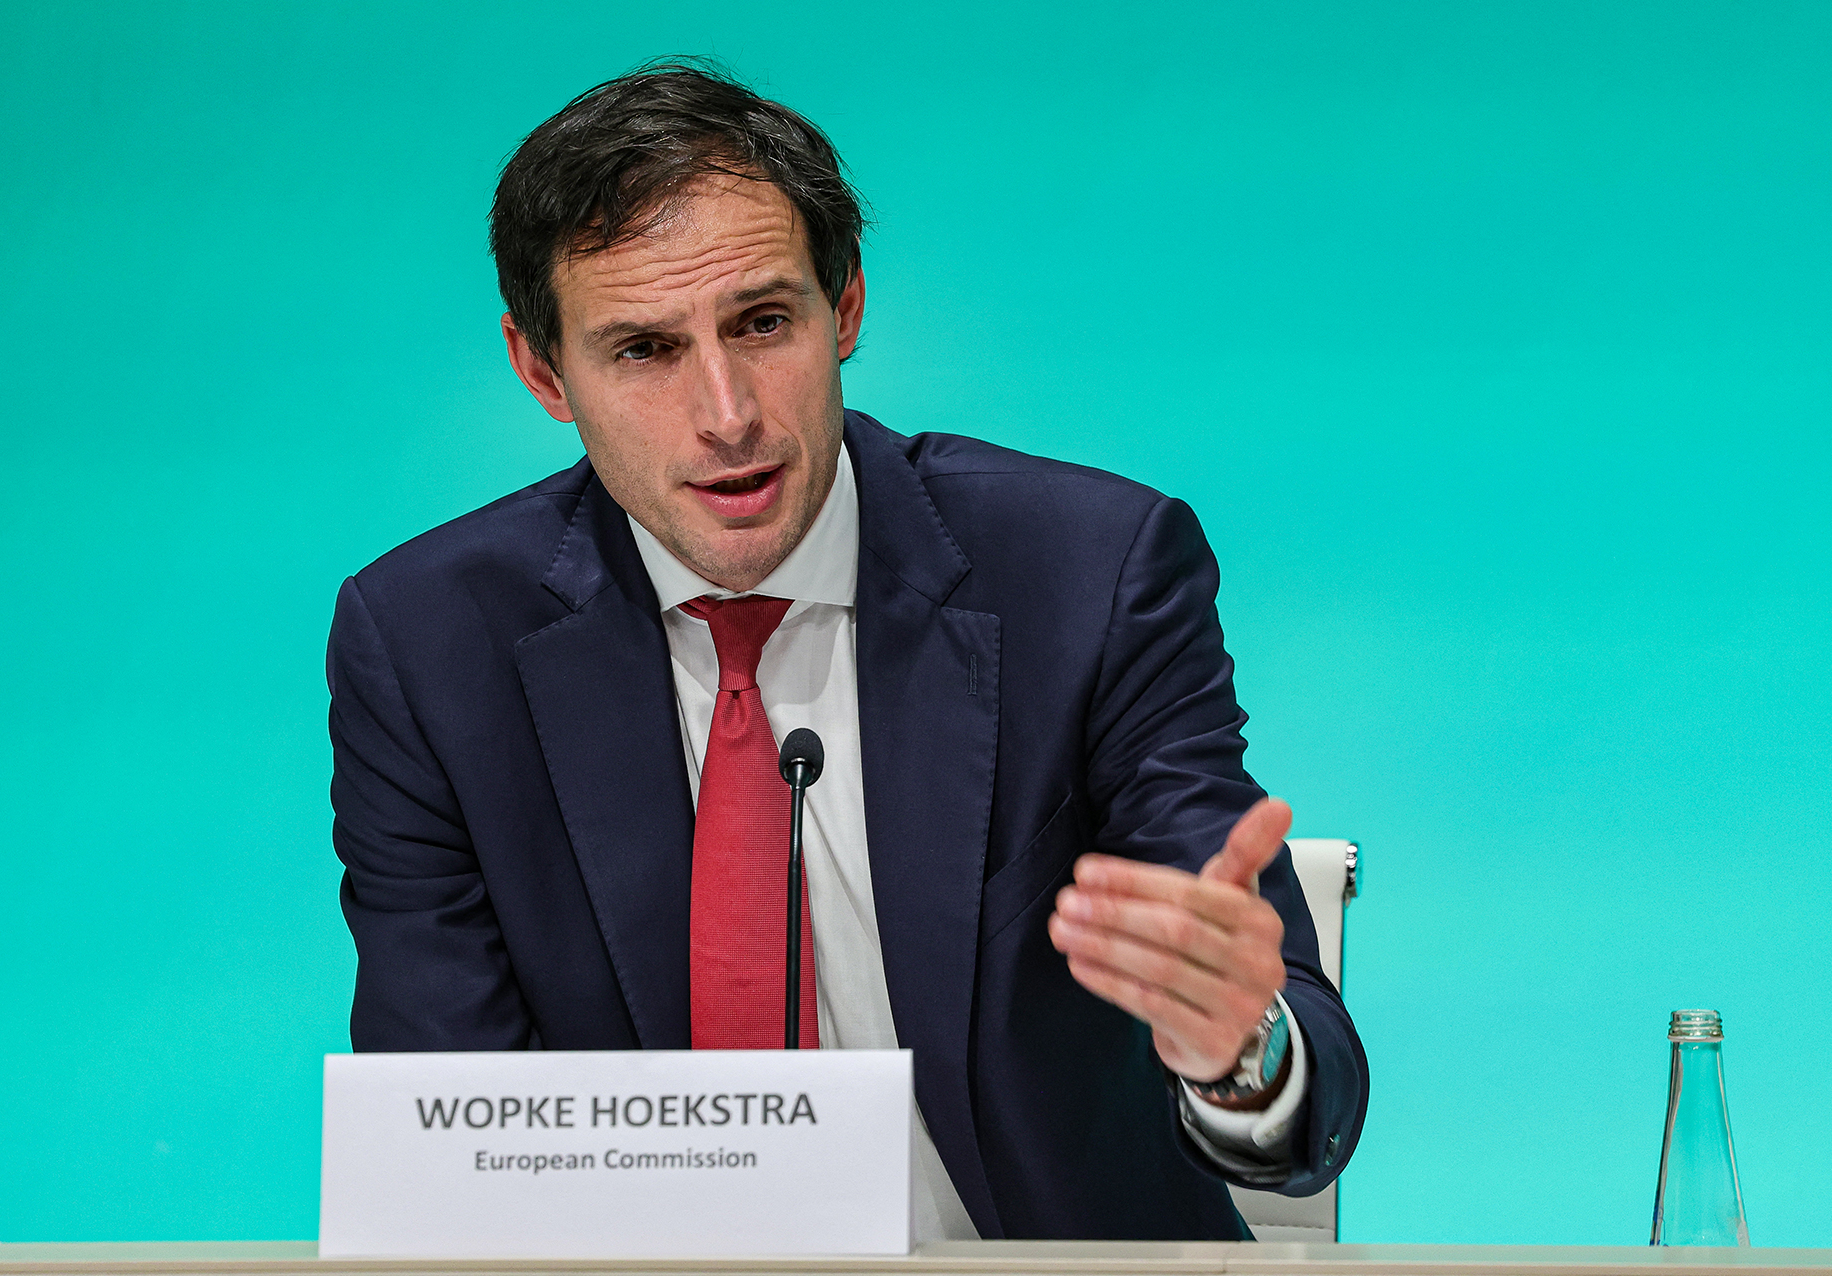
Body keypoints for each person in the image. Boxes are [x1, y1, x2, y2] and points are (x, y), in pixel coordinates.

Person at [327, 60, 1367, 1242]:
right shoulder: (427, 647)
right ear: (540, 370)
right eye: (643, 351)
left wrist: (1240, 1046)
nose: (726, 414)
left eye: (762, 321)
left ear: (847, 308)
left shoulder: (1088, 574)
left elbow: (1298, 1059)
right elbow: (448, 1134)